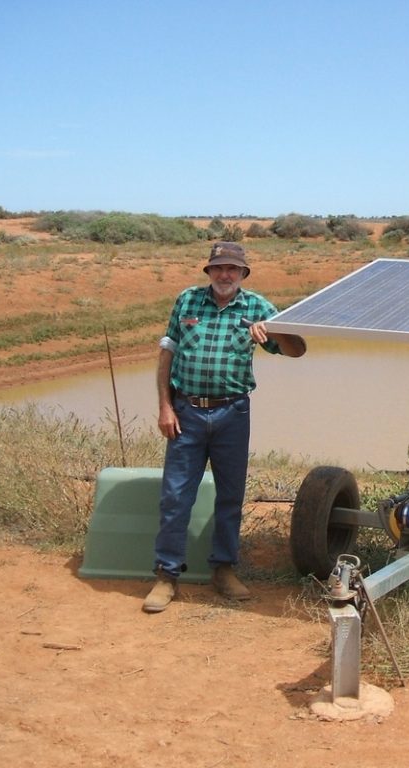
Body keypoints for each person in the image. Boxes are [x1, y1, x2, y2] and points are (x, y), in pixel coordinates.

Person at [144, 241, 306, 613]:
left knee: (230, 496)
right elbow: (167, 352)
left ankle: (224, 569)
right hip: (186, 414)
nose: (225, 275)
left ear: (243, 274)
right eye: (218, 268)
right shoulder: (187, 301)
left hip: (233, 414)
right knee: (175, 496)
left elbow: (297, 350)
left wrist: (273, 331)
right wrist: (165, 407)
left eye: (233, 269)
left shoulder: (257, 307)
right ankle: (167, 575)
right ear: (209, 272)